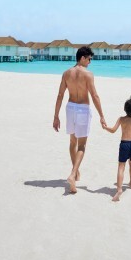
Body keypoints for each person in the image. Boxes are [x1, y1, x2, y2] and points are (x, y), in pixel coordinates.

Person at [53, 46, 106, 193]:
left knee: (72, 142)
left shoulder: (66, 73)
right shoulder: (88, 74)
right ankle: (73, 174)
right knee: (81, 145)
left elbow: (60, 95)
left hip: (70, 108)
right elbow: (94, 96)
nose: (90, 62)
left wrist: (56, 116)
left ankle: (75, 172)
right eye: (89, 59)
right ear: (82, 58)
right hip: (83, 109)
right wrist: (102, 115)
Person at [103, 97, 131, 202]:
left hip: (124, 144)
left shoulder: (121, 119)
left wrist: (105, 127)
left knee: (121, 167)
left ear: (125, 109)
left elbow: (113, 130)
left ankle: (119, 189)